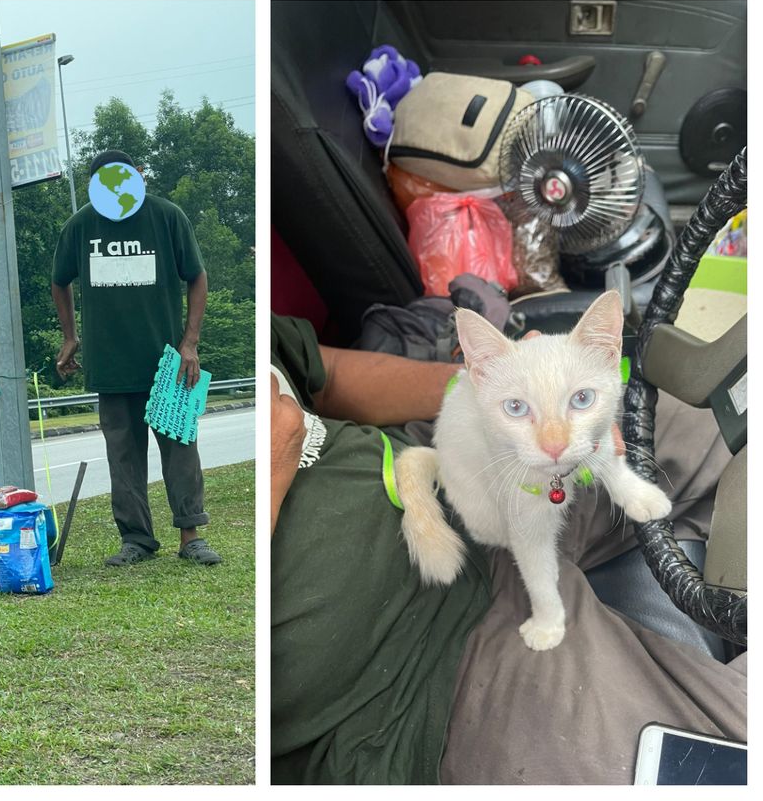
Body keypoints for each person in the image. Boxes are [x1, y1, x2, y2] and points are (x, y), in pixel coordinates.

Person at [270, 313, 746, 784]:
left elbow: (325, 375)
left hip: (461, 469)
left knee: (727, 434)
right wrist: (272, 466)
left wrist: (500, 382)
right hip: (414, 679)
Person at [51, 149, 221, 566]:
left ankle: (191, 535)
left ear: (139, 176)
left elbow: (197, 276)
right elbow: (60, 281)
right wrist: (70, 336)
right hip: (111, 363)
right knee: (123, 454)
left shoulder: (166, 216)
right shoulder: (81, 226)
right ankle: (137, 539)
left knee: (180, 447)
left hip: (169, 362)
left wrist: (190, 343)